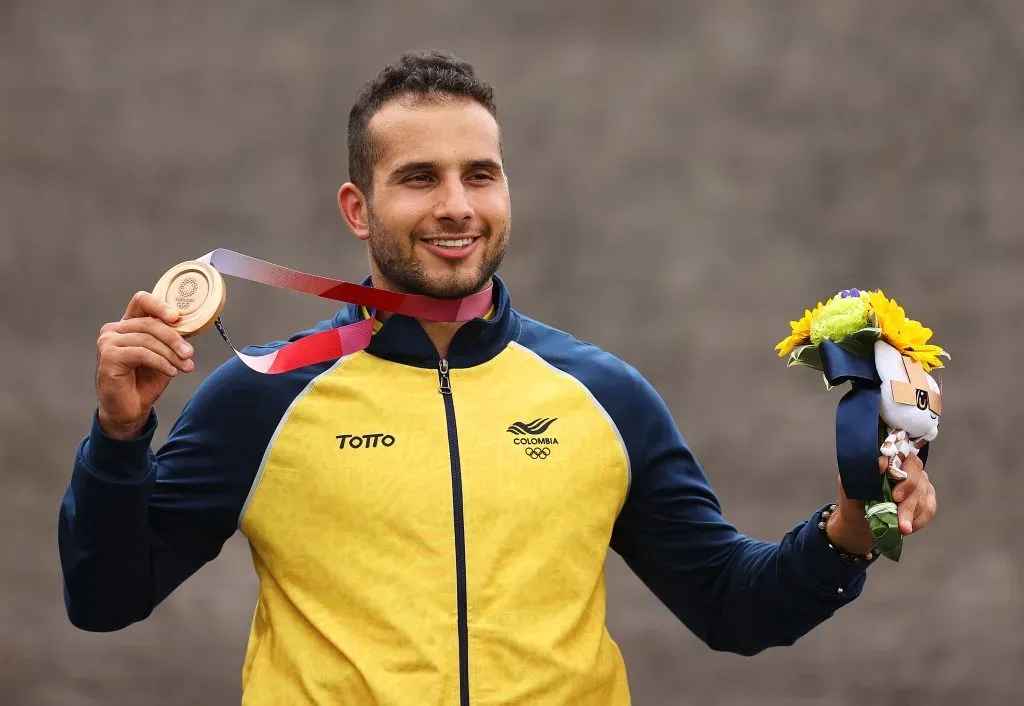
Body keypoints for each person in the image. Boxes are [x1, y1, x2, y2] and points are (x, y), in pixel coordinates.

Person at [59, 51, 938, 705]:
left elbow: (730, 608)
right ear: (357, 209)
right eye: (418, 179)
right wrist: (121, 440)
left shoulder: (604, 395)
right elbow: (104, 599)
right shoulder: (264, 396)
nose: (456, 206)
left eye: (480, 174)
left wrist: (852, 527)